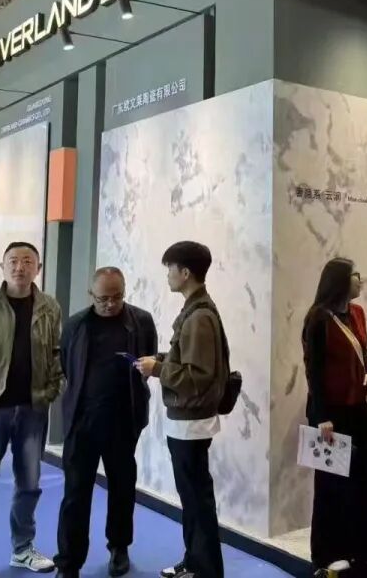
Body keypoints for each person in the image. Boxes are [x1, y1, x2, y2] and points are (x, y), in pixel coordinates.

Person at [0, 242, 65, 578]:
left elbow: (57, 353)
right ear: (2, 266)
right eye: (13, 261)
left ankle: (22, 549)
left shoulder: (49, 306)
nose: (20, 267)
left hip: (33, 407)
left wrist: (52, 390)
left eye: (27, 261)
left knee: (29, 484)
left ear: (38, 268)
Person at [55, 267, 157, 578]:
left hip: (123, 421)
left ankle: (119, 547)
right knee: (75, 494)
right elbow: (66, 367)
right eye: (103, 299)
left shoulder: (141, 322)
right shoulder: (75, 325)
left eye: (117, 297)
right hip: (82, 422)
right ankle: (69, 562)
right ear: (91, 295)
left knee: (122, 488)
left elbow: (148, 361)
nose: (111, 304)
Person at [137, 241, 230, 578]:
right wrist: (161, 360)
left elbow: (198, 376)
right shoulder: (197, 310)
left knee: (196, 499)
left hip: (191, 422)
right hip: (188, 420)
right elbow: (189, 361)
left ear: (185, 272)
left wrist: (158, 369)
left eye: (170, 269)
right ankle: (194, 562)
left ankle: (205, 569)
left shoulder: (199, 316)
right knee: (192, 497)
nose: (167, 276)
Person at [303, 257, 367, 577]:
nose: (360, 280)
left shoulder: (357, 313)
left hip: (357, 408)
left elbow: (364, 352)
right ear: (339, 281)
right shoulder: (318, 319)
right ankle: (329, 552)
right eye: (354, 276)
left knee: (363, 479)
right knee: (331, 484)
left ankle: (363, 546)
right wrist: (321, 415)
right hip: (331, 414)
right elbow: (313, 370)